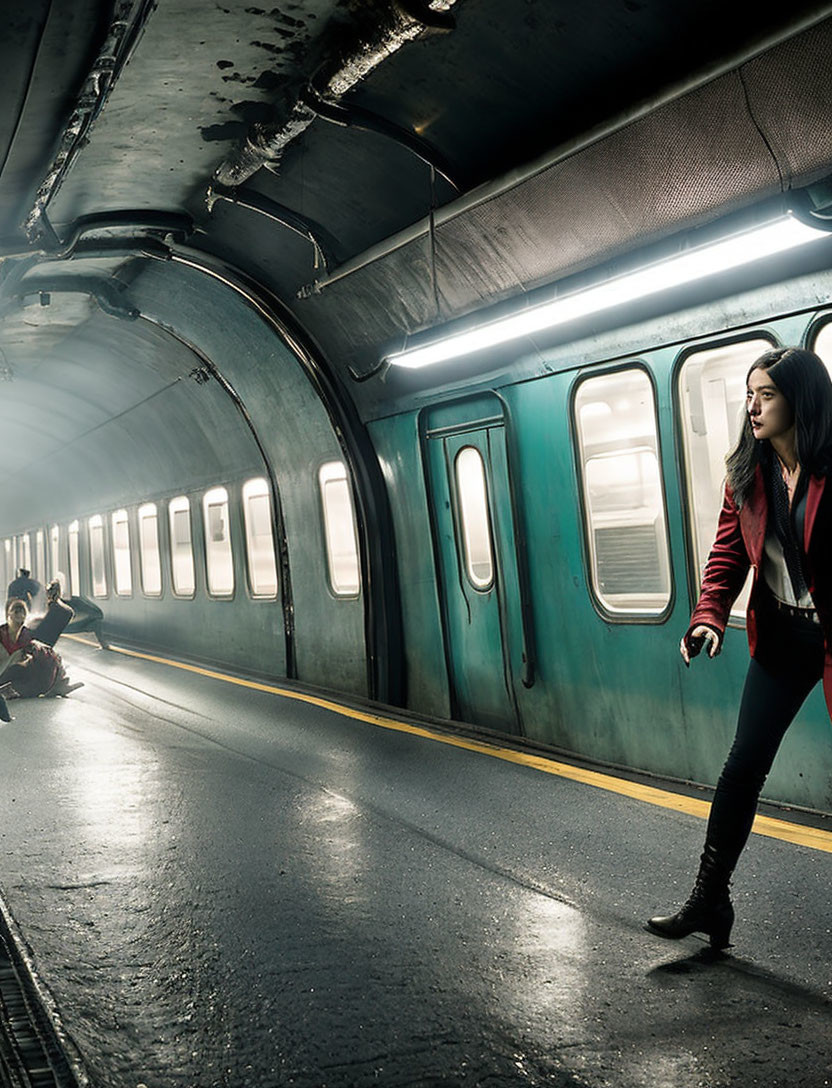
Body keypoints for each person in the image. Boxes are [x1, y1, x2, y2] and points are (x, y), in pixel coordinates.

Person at [646, 346, 832, 950]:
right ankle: (709, 899)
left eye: (767, 395)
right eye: (749, 394)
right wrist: (708, 618)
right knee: (741, 767)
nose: (752, 406)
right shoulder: (749, 473)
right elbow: (727, 554)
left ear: (799, 400)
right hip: (783, 633)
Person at [0, 598, 82, 700]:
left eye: (22, 612)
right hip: (7, 677)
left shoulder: (29, 636)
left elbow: (66, 613)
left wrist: (55, 601)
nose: (20, 615)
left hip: (22, 679)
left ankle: (57, 685)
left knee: (46, 655)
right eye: (16, 611)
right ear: (8, 614)